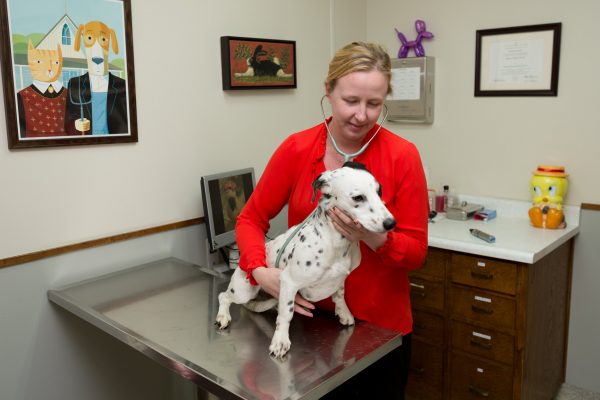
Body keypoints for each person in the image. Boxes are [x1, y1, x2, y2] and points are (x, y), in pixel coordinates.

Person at [235, 41, 429, 399]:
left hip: (378, 333)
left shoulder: (403, 156)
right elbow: (250, 219)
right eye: (351, 101)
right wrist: (261, 272)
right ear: (328, 90)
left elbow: (417, 253)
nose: (362, 115)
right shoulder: (297, 149)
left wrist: (372, 237)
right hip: (307, 329)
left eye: (374, 103)